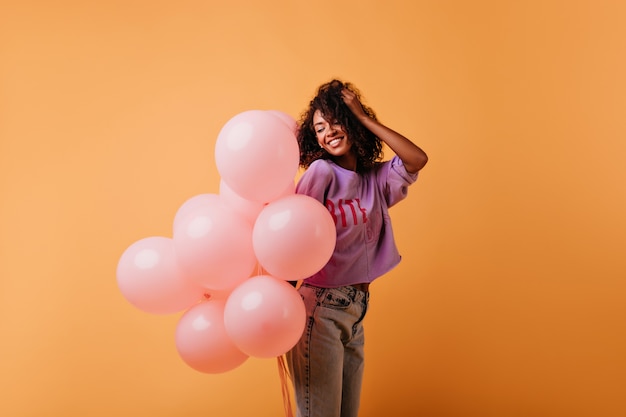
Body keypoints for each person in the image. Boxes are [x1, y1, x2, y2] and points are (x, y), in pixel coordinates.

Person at [285, 79, 428, 417]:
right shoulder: (322, 172)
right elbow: (292, 235)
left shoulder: (375, 179)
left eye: (336, 121)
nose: (328, 132)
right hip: (319, 310)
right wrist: (282, 304)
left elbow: (417, 158)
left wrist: (365, 119)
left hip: (356, 310)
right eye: (319, 128)